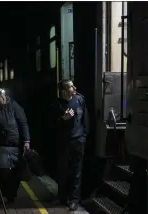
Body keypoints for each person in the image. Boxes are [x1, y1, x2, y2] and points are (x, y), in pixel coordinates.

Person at [0, 87, 30, 203]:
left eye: (2, 95)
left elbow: (23, 122)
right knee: (4, 171)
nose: (2, 98)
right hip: (2, 145)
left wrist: (26, 141)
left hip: (16, 144)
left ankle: (11, 194)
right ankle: (4, 194)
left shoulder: (14, 106)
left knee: (17, 172)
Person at [52, 79, 89, 211]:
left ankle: (74, 200)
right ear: (63, 91)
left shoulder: (79, 100)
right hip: (64, 142)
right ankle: (61, 197)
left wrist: (84, 136)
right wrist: (63, 119)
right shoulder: (57, 105)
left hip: (78, 141)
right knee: (62, 170)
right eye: (70, 87)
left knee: (76, 172)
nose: (74, 88)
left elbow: (85, 119)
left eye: (73, 85)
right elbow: (52, 126)